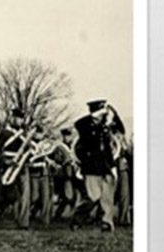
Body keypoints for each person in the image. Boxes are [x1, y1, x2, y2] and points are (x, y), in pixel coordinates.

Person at [71, 99, 125, 232]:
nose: (103, 114)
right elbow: (78, 124)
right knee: (93, 197)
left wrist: (115, 115)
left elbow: (121, 129)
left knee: (107, 197)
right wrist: (96, 118)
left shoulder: (104, 126)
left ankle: (106, 223)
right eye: (101, 111)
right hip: (91, 167)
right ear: (95, 112)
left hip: (106, 165)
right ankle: (77, 219)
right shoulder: (85, 125)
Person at [0, 108, 31, 230]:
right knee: (7, 195)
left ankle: (23, 223)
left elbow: (28, 150)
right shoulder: (5, 133)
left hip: (22, 165)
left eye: (21, 118)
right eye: (17, 118)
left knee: (24, 194)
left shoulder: (24, 134)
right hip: (8, 166)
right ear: (12, 118)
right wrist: (5, 161)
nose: (19, 120)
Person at [26, 125, 57, 226]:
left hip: (45, 173)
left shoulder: (47, 145)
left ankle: (45, 221)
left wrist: (50, 162)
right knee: (34, 197)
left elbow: (51, 156)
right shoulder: (29, 145)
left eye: (41, 133)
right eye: (37, 133)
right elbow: (28, 161)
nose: (39, 135)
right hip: (34, 174)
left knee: (46, 197)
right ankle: (31, 214)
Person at [51, 127, 82, 222]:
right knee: (68, 196)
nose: (69, 138)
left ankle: (60, 215)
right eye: (67, 136)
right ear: (63, 137)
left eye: (70, 136)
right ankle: (59, 215)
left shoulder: (73, 147)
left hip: (74, 174)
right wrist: (65, 161)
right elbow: (57, 159)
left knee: (71, 196)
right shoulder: (59, 147)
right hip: (64, 175)